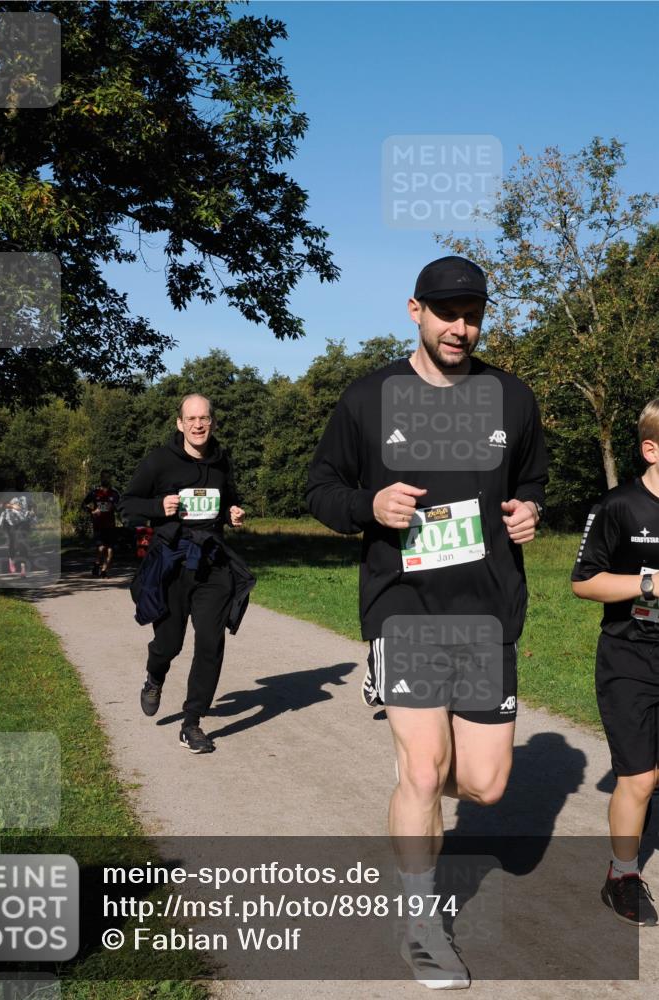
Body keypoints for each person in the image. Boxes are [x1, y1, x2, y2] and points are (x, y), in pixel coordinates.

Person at [306, 256, 548, 989]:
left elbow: (532, 477)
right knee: (422, 770)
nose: (460, 328)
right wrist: (368, 507)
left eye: (472, 314)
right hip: (404, 607)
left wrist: (530, 509)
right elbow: (320, 487)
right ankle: (421, 924)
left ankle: (425, 774)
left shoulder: (511, 398)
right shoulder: (370, 398)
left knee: (486, 785)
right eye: (447, 313)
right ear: (415, 310)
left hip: (485, 610)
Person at [119, 394, 254, 755]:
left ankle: (191, 723)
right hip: (172, 566)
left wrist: (233, 514)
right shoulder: (159, 461)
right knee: (169, 644)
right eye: (191, 419)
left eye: (204, 418)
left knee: (210, 642)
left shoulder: (221, 461)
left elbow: (229, 500)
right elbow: (127, 505)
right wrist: (157, 506)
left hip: (212, 564)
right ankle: (155, 676)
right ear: (179, 423)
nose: (198, 425)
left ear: (212, 422)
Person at [572, 398, 659, 927]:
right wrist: (650, 583)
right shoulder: (618, 506)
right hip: (631, 654)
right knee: (640, 778)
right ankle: (621, 877)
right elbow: (584, 582)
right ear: (652, 449)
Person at [82, 470, 120, 578]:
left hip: (110, 525)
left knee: (110, 548)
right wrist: (92, 511)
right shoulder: (94, 492)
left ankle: (104, 571)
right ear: (101, 478)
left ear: (110, 479)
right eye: (104, 477)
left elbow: (120, 506)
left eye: (108, 477)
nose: (106, 479)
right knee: (101, 547)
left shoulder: (114, 493)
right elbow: (83, 504)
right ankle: (97, 564)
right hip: (98, 525)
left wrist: (114, 507)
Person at [0, 481, 36, 577]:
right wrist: (12, 506)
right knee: (13, 543)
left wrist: (32, 511)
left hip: (24, 521)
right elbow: (1, 505)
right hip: (11, 521)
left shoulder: (27, 494)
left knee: (23, 544)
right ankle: (11, 560)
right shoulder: (10, 493)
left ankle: (23, 569)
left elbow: (32, 505)